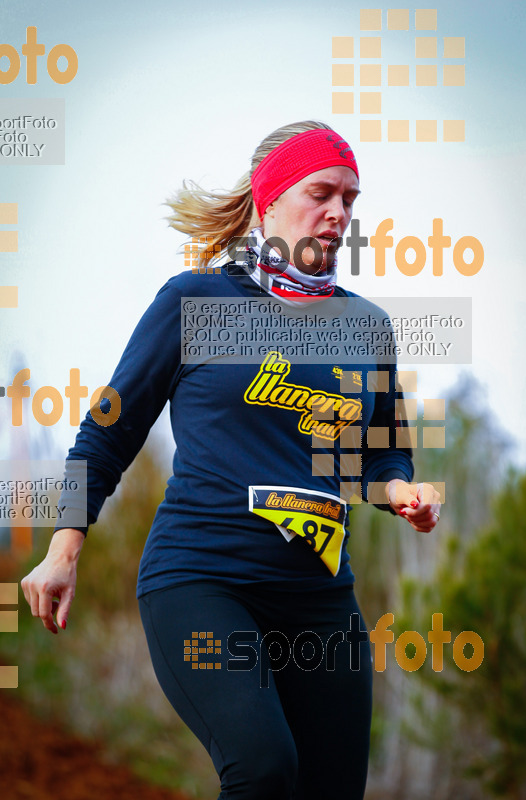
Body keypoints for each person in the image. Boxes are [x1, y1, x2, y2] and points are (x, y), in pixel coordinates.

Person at [21, 120, 441, 800]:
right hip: (202, 580)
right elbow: (105, 434)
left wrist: (399, 491)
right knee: (262, 767)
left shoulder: (365, 326)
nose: (338, 214)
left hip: (319, 598)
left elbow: (382, 453)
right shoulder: (196, 302)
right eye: (321, 193)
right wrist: (63, 549)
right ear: (269, 199)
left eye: (350, 200)